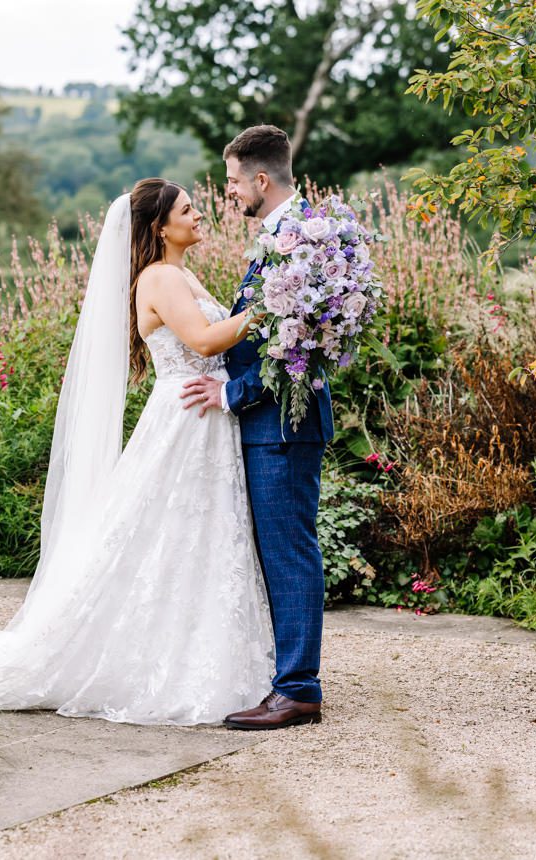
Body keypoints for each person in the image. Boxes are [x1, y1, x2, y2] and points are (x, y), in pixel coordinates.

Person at [0, 178, 274, 726]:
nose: (199, 215)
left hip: (206, 415)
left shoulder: (181, 273)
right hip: (186, 420)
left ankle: (197, 650)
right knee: (168, 533)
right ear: (159, 227)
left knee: (195, 536)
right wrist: (275, 303)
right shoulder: (160, 277)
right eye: (187, 210)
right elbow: (204, 341)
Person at [181, 124, 333, 730]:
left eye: (232, 181)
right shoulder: (289, 235)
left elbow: (293, 349)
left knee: (289, 555)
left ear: (261, 179)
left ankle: (297, 690)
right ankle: (285, 679)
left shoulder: (298, 242)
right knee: (280, 554)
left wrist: (229, 392)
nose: (228, 191)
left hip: (282, 427)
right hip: (271, 426)